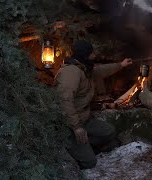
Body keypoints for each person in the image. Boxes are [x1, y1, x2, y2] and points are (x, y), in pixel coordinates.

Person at [54, 40, 132, 169]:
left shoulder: (85, 67)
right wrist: (76, 127)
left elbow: (101, 70)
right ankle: (69, 147)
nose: (93, 56)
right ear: (85, 54)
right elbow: (64, 101)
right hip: (69, 125)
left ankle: (84, 147)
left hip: (84, 119)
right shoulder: (71, 72)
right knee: (90, 162)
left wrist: (121, 65)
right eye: (91, 53)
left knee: (109, 132)